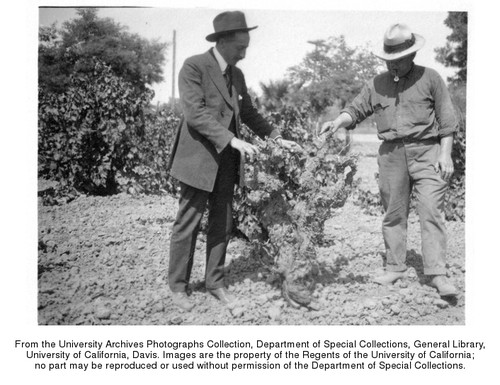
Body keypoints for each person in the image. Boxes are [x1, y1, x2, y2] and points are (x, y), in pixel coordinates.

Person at [167, 11, 299, 311]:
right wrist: (233, 140)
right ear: (224, 42)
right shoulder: (194, 67)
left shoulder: (237, 76)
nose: (245, 52)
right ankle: (178, 286)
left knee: (222, 223)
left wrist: (277, 137)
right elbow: (195, 113)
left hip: (227, 161)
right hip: (198, 159)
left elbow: (249, 113)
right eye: (241, 47)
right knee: (188, 223)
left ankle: (214, 282)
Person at [320, 23, 458, 297]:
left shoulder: (431, 78)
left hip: (427, 151)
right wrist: (336, 122)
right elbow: (355, 110)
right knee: (393, 213)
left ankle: (437, 274)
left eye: (398, 61)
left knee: (431, 210)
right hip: (391, 155)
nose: (393, 66)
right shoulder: (376, 84)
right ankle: (395, 267)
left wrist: (445, 153)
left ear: (411, 56)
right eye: (389, 61)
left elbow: (447, 118)